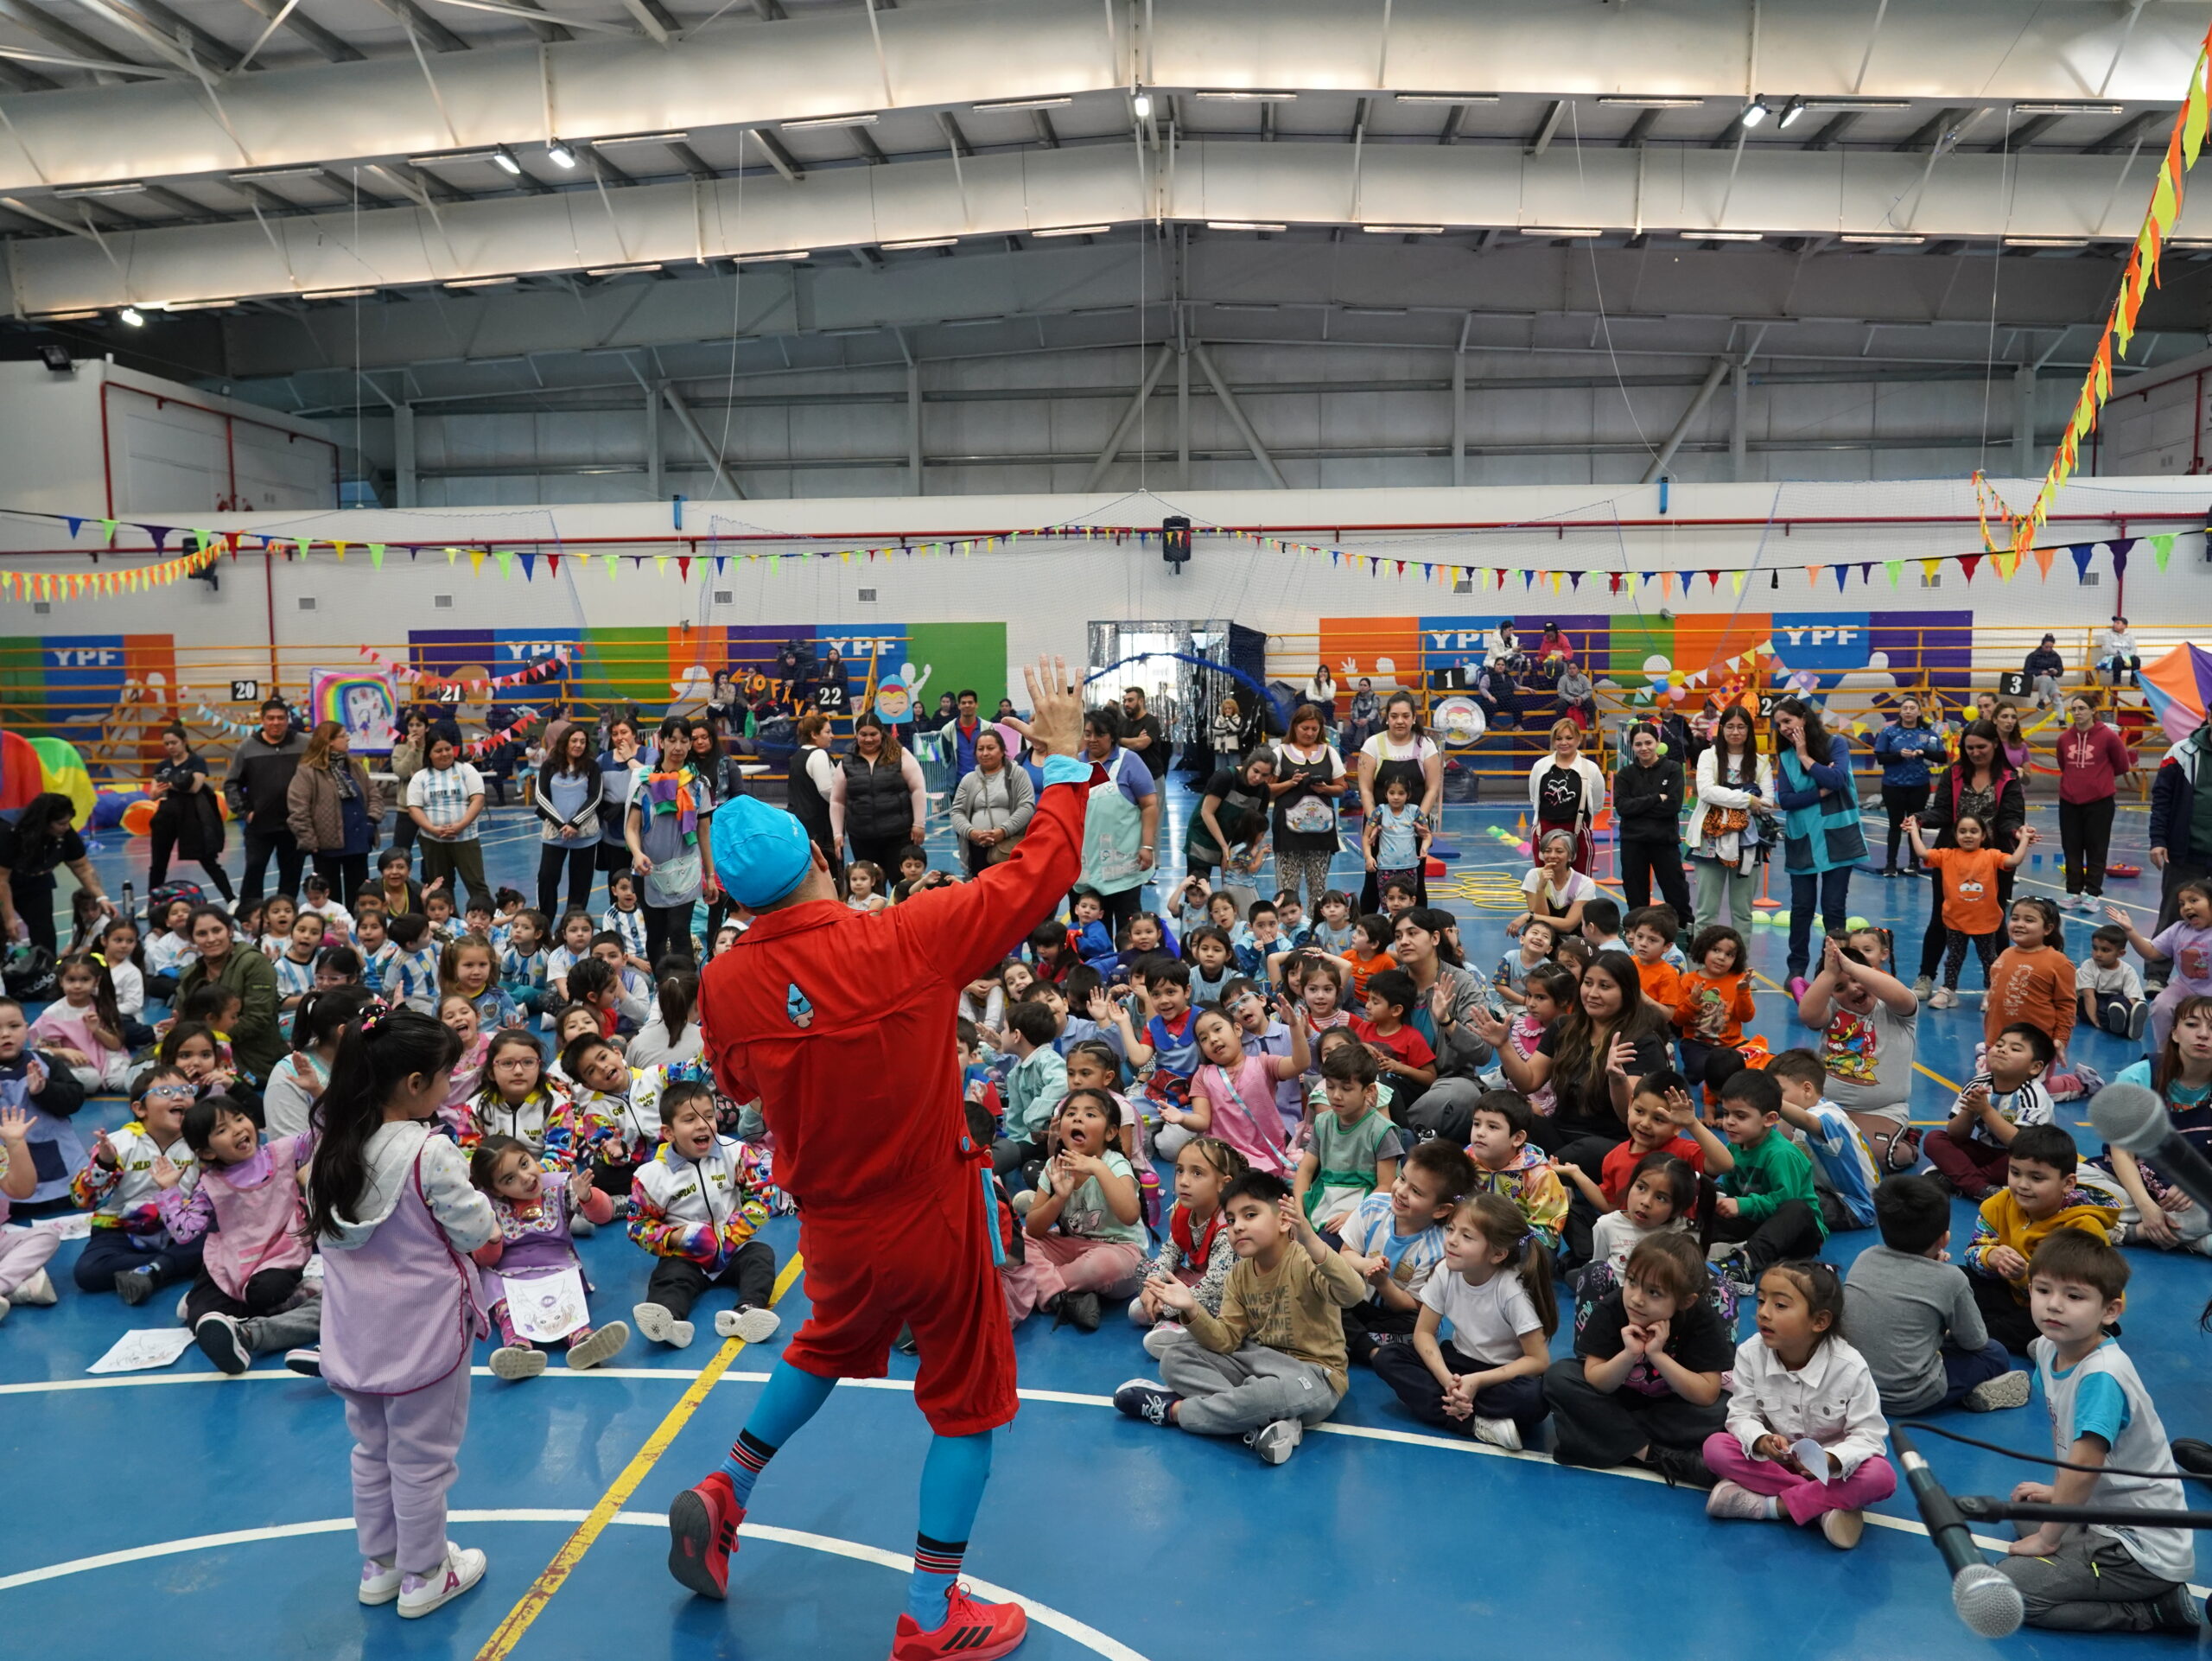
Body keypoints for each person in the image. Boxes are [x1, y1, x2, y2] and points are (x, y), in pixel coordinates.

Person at [667, 657, 1094, 1661]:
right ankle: (932, 1609)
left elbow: (731, 1091)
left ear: (731, 890)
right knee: (968, 1398)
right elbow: (1038, 873)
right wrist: (1065, 755)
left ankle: (729, 1483)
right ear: (820, 853)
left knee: (820, 1343)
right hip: (932, 1206)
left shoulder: (725, 983)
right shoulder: (907, 934)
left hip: (829, 1219)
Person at [303, 1006, 497, 1618]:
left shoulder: (329, 1149)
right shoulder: (429, 1151)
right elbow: (477, 1230)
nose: (451, 1084)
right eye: (447, 1075)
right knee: (422, 1458)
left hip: (355, 1334)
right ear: (416, 1084)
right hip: (424, 1335)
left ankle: (381, 1565)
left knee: (371, 1450)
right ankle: (424, 1573)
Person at [2016, 1235, 2208, 1634]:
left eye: (2074, 1296)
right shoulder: (2051, 1348)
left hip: (2140, 1546)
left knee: (2012, 1590)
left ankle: (2154, 1610)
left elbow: (2084, 1467)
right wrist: (2056, 1496)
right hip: (2101, 1513)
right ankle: (2076, 1544)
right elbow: (2069, 1449)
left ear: (2110, 1310)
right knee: (2021, 1509)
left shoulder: (2101, 1377)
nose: (2053, 1304)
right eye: (2043, 1289)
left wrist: (2049, 1540)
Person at [1112, 1170, 1369, 1465]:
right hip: (1256, 1363)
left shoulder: (1306, 1260)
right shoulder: (1239, 1274)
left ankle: (1175, 1410)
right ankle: (1261, 1423)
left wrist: (1312, 1241)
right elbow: (1226, 1341)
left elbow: (1353, 1292)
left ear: (1284, 1220)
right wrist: (1192, 1309)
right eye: (1231, 1220)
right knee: (1174, 1358)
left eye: (1250, 1215)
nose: (1237, 1227)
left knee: (1265, 1395)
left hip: (1314, 1376)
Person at [1704, 1260, 1896, 1548]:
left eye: (1780, 1305)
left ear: (1819, 1321)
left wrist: (1831, 1460)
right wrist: (1761, 1440)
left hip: (1831, 1471)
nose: (1763, 1313)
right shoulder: (1750, 1353)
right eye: (1760, 1300)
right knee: (1715, 1448)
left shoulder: (1850, 1367)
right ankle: (1824, 1510)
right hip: (1776, 1462)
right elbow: (1741, 1414)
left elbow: (1870, 1436)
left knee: (1882, 1476)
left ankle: (1770, 1507)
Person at [1371, 1190, 1558, 1449]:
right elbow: (1423, 1333)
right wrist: (1448, 1380)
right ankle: (1476, 1423)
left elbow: (1538, 1360)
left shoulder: (1511, 1291)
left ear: (1498, 1254)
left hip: (1499, 1376)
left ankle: (1449, 1409)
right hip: (1457, 1363)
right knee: (1387, 1357)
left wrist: (1478, 1381)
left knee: (1534, 1399)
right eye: (1451, 1230)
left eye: (1467, 1236)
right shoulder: (1445, 1270)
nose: (1452, 1241)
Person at [1544, 1231, 1731, 1486]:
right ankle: (1652, 1455)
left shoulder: (1699, 1318)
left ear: (1686, 1301)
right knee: (1559, 1377)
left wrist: (1657, 1355)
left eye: (1654, 1293)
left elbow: (1707, 1394)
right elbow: (1597, 1381)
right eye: (1632, 1281)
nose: (1636, 1298)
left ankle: (1603, 1437)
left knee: (1724, 1410)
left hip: (1669, 1408)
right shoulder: (1614, 1307)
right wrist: (1629, 1354)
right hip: (1617, 1400)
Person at [159, 1095, 324, 1375]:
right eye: (222, 1130)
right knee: (198, 1320)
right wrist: (168, 1191)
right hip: (233, 1260)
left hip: (280, 1254)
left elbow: (326, 1132)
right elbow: (185, 1233)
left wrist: (318, 1093)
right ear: (208, 1152)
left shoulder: (283, 1152)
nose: (237, 1129)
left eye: (238, 1119)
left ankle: (291, 1296)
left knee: (265, 1292)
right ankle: (223, 1310)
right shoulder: (209, 1185)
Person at [1844, 1174, 2025, 1416]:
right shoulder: (1950, 1278)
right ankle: (1969, 1394)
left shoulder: (1864, 1257)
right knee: (1995, 1353)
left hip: (1856, 1390)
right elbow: (1975, 1342)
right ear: (1944, 1239)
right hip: (1911, 1397)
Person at [628, 1081, 779, 1350]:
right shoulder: (651, 1177)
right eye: (689, 1119)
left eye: (708, 1116)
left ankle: (746, 1311)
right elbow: (638, 1226)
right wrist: (675, 1237)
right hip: (688, 1255)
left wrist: (732, 1234)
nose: (702, 1125)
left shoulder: (736, 1153)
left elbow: (762, 1194)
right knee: (669, 1275)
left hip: (734, 1249)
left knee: (761, 1256)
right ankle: (670, 1321)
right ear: (669, 1133)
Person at [469, 1134, 627, 1378]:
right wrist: (492, 1239)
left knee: (566, 1303)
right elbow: (484, 1260)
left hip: (557, 1268)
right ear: (495, 1190)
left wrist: (588, 1197)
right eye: (510, 1179)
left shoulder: (561, 1187)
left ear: (532, 1157)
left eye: (524, 1164)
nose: (526, 1178)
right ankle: (518, 1350)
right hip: (507, 1276)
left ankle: (584, 1341)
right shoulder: (485, 1205)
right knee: (509, 1309)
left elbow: (604, 1216)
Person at [1962, 1123, 2119, 1355]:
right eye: (2015, 1172)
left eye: (2037, 1178)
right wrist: (1989, 1257)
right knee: (1958, 1279)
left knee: (2033, 1325)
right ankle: (2033, 1343)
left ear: (2068, 1183)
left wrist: (2025, 1276)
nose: (2023, 1185)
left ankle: (1975, 1333)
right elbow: (1973, 1250)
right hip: (2012, 1296)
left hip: (2055, 1308)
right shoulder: (1998, 1204)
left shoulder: (2081, 1227)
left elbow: (2080, 1294)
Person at [1911, 720, 2025, 998]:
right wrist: (1919, 818)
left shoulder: (2008, 777)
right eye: (1969, 747)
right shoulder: (1955, 773)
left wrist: (2016, 831)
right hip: (1953, 861)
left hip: (1993, 862)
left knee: (1996, 919)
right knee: (1941, 916)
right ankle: (1926, 977)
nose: (1975, 752)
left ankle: (2000, 981)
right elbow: (1942, 811)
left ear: (1995, 744)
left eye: (1981, 747)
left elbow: (2011, 816)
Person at [68, 1064, 203, 1300]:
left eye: (186, 1090)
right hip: (121, 1232)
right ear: (140, 1109)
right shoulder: (118, 1143)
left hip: (180, 1229)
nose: (180, 1096)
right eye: (165, 1092)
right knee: (87, 1272)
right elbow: (82, 1200)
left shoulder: (199, 1142)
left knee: (219, 1239)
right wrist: (105, 1164)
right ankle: (165, 1266)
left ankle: (155, 1270)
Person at [2096, 997, 2212, 1254]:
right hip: (2131, 1181)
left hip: (2191, 1194)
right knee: (2062, 1179)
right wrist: (2147, 1207)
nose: (2203, 1035)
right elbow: (2121, 1152)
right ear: (2174, 1033)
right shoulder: (2137, 1077)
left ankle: (2128, 1232)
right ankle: (2192, 1240)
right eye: (2192, 1024)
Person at [1770, 697, 1866, 997]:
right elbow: (1785, 800)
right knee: (1801, 908)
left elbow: (1836, 779)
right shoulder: (1784, 758)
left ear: (1803, 717)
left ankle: (1833, 968)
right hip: (1804, 838)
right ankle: (1796, 970)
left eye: (1788, 721)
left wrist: (1804, 756)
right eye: (1779, 724)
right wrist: (1819, 791)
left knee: (1834, 909)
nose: (1784, 728)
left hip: (1838, 837)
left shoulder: (1835, 744)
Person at [1906, 813, 2036, 1007]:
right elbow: (1923, 853)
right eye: (1963, 831)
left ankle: (1990, 991)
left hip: (1985, 921)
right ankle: (1949, 990)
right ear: (1956, 835)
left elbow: (2014, 861)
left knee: (1989, 959)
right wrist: (1914, 831)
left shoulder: (1991, 855)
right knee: (1954, 959)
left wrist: (2024, 839)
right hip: (1955, 920)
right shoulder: (1946, 855)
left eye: (1974, 831)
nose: (1968, 835)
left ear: (1983, 836)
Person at [626, 717, 720, 964]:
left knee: (680, 931)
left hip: (685, 870)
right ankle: (662, 988)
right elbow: (632, 828)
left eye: (684, 740)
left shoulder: (699, 786)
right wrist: (637, 853)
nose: (678, 747)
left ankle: (685, 991)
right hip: (649, 871)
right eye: (672, 740)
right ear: (662, 742)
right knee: (656, 934)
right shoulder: (644, 782)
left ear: (690, 744)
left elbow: (703, 833)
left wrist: (709, 876)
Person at [1929, 1023, 2059, 1200]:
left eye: (2015, 1049)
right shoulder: (1978, 1083)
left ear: (2035, 1067)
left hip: (2020, 1157)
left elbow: (2023, 1144)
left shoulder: (2033, 1095)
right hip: (1986, 1151)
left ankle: (1964, 1182)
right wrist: (1969, 1110)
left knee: (2027, 1161)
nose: (2002, 1050)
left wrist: (1986, 1111)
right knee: (1934, 1139)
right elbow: (1955, 1135)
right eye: (1999, 1045)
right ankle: (1979, 1186)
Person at [1072, 704, 1161, 935]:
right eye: (1088, 733)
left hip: (1124, 865)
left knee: (1126, 933)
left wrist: (1147, 846)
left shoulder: (1129, 761)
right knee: (1090, 935)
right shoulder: (1075, 764)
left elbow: (1150, 805)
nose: (1093, 740)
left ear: (1112, 736)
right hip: (1085, 866)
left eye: (1100, 734)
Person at [1689, 704, 1775, 934]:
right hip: (1709, 842)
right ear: (1722, 729)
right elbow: (1706, 792)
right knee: (1706, 912)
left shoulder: (1761, 762)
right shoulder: (1708, 756)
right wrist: (1747, 800)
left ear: (1749, 730)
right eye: (1730, 726)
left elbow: (1767, 804)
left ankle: (1741, 968)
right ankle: (1699, 967)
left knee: (1743, 913)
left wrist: (1725, 797)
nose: (1735, 732)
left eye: (1741, 727)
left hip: (1748, 844)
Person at [175, 903, 285, 1083]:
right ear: (192, 939)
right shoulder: (190, 975)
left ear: (230, 931)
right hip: (203, 1056)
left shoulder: (253, 963)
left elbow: (257, 1018)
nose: (211, 939)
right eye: (202, 934)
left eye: (217, 930)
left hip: (254, 1059)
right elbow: (182, 1019)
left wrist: (207, 1043)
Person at [0, 792, 114, 957]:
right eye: (61, 823)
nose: (67, 827)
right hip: (5, 881)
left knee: (43, 930)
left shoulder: (65, 834)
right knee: (3, 930)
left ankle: (46, 973)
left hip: (36, 881)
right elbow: (2, 880)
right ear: (44, 822)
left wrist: (101, 897)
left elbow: (82, 868)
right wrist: (9, 918)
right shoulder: (10, 835)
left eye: (68, 822)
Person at [1356, 694, 1442, 908]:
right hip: (1379, 826)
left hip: (1414, 827)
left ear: (1414, 718)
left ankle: (1418, 932)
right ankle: (1369, 934)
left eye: (1405, 716)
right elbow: (1365, 789)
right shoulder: (1373, 744)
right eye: (1394, 716)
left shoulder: (1426, 745)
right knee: (1372, 881)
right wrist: (1374, 822)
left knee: (1416, 882)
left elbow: (1432, 788)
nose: (1400, 721)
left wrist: (1417, 821)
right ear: (1387, 718)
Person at [287, 721, 383, 913]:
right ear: (328, 741)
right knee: (331, 898)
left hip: (357, 841)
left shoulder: (354, 767)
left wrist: (371, 821)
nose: (347, 738)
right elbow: (298, 808)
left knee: (359, 896)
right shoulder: (308, 771)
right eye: (343, 735)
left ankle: (360, 933)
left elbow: (374, 795)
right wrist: (308, 839)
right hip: (325, 845)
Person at [2056, 695, 2135, 913]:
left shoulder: (2108, 737)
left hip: (2100, 802)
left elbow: (2121, 765)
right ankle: (2072, 892)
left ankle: (2092, 894)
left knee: (2096, 848)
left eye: (2082, 708)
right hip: (2069, 801)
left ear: (2093, 710)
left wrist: (2099, 782)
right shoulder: (2064, 739)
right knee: (2071, 847)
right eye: (2073, 709)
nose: (2077, 712)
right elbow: (2064, 764)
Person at [225, 698, 308, 906]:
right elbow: (231, 783)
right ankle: (249, 915)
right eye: (270, 718)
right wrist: (245, 811)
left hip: (294, 823)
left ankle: (285, 915)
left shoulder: (305, 744)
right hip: (260, 824)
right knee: (254, 868)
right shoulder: (247, 747)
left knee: (291, 873)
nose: (276, 722)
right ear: (262, 720)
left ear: (288, 720)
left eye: (281, 718)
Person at [1268, 704, 1347, 915]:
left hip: (1320, 834)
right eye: (1305, 728)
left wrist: (1325, 789)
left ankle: (1315, 931)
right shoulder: (1279, 752)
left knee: (1318, 888)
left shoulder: (1330, 753)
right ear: (1295, 727)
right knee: (1286, 890)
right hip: (1287, 834)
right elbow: (1267, 790)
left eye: (1314, 729)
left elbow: (1341, 788)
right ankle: (1285, 933)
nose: (1310, 733)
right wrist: (1290, 783)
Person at [2148, 717, 2212, 978]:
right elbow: (2161, 799)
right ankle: (2156, 976)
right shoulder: (2181, 752)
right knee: (2173, 913)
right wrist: (2158, 840)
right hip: (2185, 851)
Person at [406, 726, 490, 912]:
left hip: (465, 838)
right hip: (433, 840)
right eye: (438, 751)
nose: (444, 754)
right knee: (441, 886)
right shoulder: (421, 777)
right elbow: (414, 808)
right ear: (429, 754)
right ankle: (449, 926)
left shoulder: (466, 770)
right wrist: (432, 828)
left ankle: (485, 922)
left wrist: (461, 825)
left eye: (447, 749)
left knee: (476, 883)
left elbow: (478, 799)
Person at [834, 711, 926, 879]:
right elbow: (837, 801)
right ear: (857, 735)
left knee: (902, 884)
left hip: (898, 835)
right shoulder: (846, 761)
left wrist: (919, 824)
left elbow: (918, 788)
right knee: (871, 888)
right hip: (861, 838)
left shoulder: (900, 754)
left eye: (873, 734)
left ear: (881, 733)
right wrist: (837, 834)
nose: (868, 739)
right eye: (863, 734)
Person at [147, 725, 234, 901]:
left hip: (192, 817)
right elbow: (154, 794)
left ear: (184, 742)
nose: (170, 747)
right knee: (158, 863)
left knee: (207, 860)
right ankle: (153, 901)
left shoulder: (196, 762)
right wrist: (164, 789)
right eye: (167, 744)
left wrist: (171, 784)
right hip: (167, 816)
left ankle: (231, 898)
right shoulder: (162, 766)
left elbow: (195, 787)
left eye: (174, 742)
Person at [1613, 725, 1689, 918]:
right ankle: (1638, 938)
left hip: (1664, 842)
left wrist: (1637, 808)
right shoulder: (1624, 775)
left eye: (1648, 742)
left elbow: (1672, 806)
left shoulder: (1672, 769)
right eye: (1638, 744)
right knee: (1636, 898)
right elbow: (1622, 808)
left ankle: (1683, 935)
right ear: (1632, 746)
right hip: (1633, 843)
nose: (1643, 748)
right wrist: (1655, 798)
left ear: (1657, 742)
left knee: (1677, 894)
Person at [533, 720, 605, 920]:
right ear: (565, 742)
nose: (578, 745)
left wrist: (574, 824)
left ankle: (573, 925)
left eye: (582, 742)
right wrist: (562, 825)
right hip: (554, 835)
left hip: (585, 837)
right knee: (547, 879)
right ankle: (545, 923)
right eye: (574, 741)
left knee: (580, 885)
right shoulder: (549, 766)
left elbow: (595, 797)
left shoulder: (592, 766)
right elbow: (541, 796)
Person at [1872, 697, 1946, 876]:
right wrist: (1898, 755)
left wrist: (1923, 752)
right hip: (1893, 785)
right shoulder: (1889, 732)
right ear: (1900, 712)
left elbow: (1942, 757)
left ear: (1919, 712)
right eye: (1905, 708)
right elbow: (1881, 758)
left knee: (1915, 825)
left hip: (1919, 786)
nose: (1908, 711)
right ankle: (1891, 865)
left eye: (1912, 708)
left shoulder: (1928, 733)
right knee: (1895, 825)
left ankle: (1914, 863)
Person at [949, 728, 1034, 877]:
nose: (985, 753)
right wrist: (972, 832)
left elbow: (1026, 806)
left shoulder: (1018, 774)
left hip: (1009, 848)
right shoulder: (968, 780)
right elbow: (956, 812)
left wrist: (1003, 831)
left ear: (1002, 751)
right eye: (980, 749)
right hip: (977, 849)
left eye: (990, 748)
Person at [1184, 751, 1274, 887]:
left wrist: (1239, 850)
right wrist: (1224, 847)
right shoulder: (1224, 777)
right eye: (1255, 771)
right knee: (1197, 888)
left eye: (1264, 775)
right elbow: (1207, 812)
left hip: (1234, 844)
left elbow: (1255, 828)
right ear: (1248, 765)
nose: (1257, 778)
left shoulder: (1264, 792)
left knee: (1231, 889)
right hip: (1203, 837)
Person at [1529, 719, 1606, 876]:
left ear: (1578, 739)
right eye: (1559, 738)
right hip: (1544, 830)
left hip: (1577, 832)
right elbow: (1534, 798)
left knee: (1580, 885)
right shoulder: (1540, 766)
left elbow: (1597, 804)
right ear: (1553, 741)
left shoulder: (1590, 769)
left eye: (1569, 738)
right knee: (1545, 885)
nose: (1564, 742)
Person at [2024, 633, 2068, 709]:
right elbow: (2027, 670)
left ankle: (2061, 719)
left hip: (2051, 681)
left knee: (2057, 699)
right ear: (2042, 645)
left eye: (2051, 647)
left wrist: (2056, 671)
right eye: (2046, 647)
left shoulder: (2056, 656)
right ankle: (2041, 701)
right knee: (2045, 678)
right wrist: (2040, 672)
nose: (2048, 649)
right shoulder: (2032, 656)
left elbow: (2060, 670)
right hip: (2036, 680)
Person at [2101, 614, 2142, 687]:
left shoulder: (2130, 636)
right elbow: (2107, 649)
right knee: (2118, 659)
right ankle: (2116, 681)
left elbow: (2133, 649)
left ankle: (2134, 681)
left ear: (2124, 626)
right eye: (2114, 623)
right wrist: (2118, 653)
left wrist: (2126, 655)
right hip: (2114, 658)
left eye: (2118, 623)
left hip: (2127, 658)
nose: (2114, 624)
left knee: (2136, 659)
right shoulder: (2108, 635)